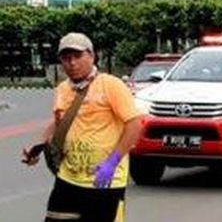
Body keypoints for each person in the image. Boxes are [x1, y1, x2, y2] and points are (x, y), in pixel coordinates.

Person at [22, 33, 142, 222]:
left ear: (92, 56)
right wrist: (37, 147)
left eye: (78, 56)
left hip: (105, 183)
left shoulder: (111, 85)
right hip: (68, 179)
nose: (72, 63)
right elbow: (59, 122)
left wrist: (112, 162)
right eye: (66, 58)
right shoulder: (63, 89)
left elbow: (134, 124)